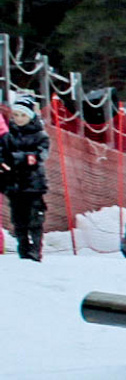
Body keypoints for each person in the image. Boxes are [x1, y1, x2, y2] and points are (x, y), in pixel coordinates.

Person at [0, 98, 50, 261]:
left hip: (33, 185)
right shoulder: (8, 137)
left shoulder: (40, 136)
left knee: (35, 219)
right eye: (16, 115)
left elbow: (38, 156)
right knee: (18, 220)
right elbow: (2, 155)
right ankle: (23, 249)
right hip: (14, 185)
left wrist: (17, 158)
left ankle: (35, 250)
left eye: (22, 114)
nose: (19, 118)